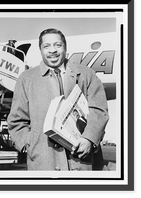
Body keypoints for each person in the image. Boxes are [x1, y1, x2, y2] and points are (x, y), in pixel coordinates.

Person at [7, 28, 109, 171]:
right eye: (46, 46)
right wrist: (30, 146)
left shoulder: (87, 74)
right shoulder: (26, 79)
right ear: (40, 50)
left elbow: (99, 110)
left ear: (65, 47)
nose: (52, 50)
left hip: (81, 164)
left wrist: (89, 139)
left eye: (57, 45)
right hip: (43, 164)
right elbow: (16, 122)